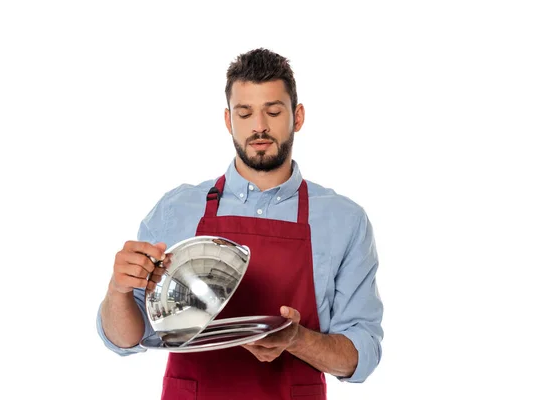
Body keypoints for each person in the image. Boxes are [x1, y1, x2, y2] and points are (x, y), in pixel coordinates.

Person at [97, 48, 384, 399]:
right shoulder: (177, 209)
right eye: (244, 113)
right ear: (228, 120)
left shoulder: (344, 220)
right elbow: (127, 337)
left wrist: (298, 339)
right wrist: (118, 289)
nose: (259, 126)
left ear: (298, 117)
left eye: (273, 111)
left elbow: (361, 354)